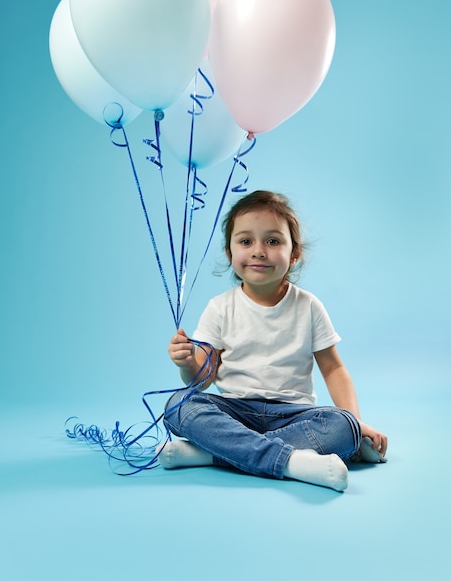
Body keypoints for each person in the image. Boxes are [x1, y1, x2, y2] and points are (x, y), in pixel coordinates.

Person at [159, 190, 387, 492]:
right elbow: (202, 379)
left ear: (294, 254)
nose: (258, 251)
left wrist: (356, 424)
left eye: (273, 241)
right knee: (179, 404)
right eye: (245, 241)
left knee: (342, 428)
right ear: (230, 253)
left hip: (293, 415)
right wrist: (188, 363)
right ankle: (294, 462)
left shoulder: (309, 306)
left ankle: (213, 454)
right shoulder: (219, 308)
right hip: (235, 411)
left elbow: (334, 370)